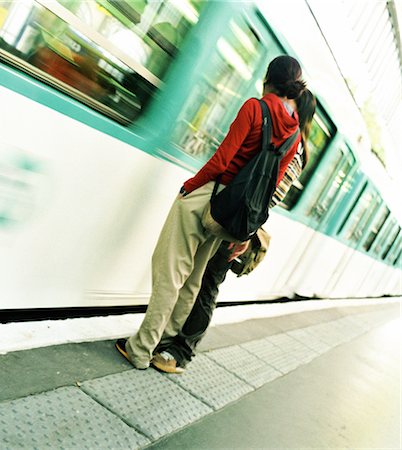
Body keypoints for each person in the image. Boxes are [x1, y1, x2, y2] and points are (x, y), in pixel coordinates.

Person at [116, 55, 306, 370]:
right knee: (193, 279)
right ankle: (164, 343)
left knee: (169, 273)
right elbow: (270, 188)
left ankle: (140, 349)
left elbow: (221, 160)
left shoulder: (255, 107)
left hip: (210, 195)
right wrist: (247, 231)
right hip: (232, 215)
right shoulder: (294, 134)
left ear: (267, 78)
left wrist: (190, 186)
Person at [151, 89, 317, 373]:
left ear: (296, 108)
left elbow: (269, 193)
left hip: (241, 219)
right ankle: (165, 341)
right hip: (240, 215)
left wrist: (248, 232)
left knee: (208, 283)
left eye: (290, 103)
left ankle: (181, 350)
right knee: (197, 278)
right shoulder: (288, 137)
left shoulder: (293, 144)